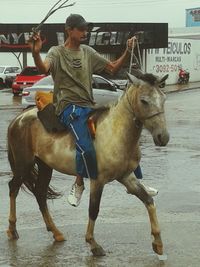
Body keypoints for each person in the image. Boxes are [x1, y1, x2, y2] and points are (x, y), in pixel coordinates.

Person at [29, 14, 157, 207]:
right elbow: (43, 68)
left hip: (89, 106)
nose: (85, 32)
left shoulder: (88, 52)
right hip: (68, 108)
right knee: (87, 147)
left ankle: (136, 182)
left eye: (86, 29)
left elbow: (112, 68)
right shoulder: (56, 52)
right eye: (81, 29)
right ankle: (79, 184)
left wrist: (127, 51)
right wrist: (36, 53)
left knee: (123, 139)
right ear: (69, 30)